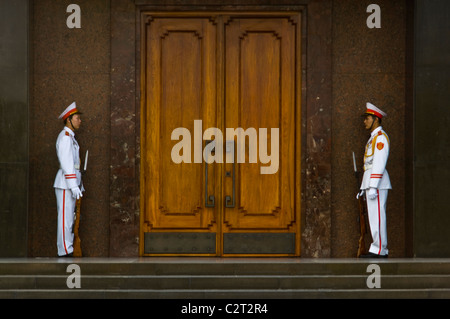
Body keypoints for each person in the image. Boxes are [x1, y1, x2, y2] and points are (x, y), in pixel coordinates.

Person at [358, 102, 391, 258]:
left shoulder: (380, 138)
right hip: (372, 183)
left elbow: (379, 162)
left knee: (377, 216)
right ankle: (378, 248)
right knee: (374, 216)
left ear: (376, 119)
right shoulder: (373, 139)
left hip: (377, 184)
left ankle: (380, 249)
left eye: (368, 118)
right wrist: (364, 187)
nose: (365, 121)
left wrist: (373, 186)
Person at [54, 102, 84, 257]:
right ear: (68, 120)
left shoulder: (71, 138)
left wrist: (79, 184)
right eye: (77, 118)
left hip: (70, 183)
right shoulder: (65, 138)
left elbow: (75, 165)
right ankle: (65, 250)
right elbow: (67, 164)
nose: (80, 121)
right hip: (65, 184)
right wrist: (73, 185)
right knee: (65, 219)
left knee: (70, 219)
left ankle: (68, 247)